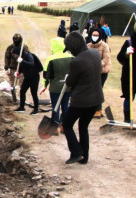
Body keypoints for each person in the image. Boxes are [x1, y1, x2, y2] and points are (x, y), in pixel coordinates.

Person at [62, 32, 104, 165]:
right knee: (83, 126)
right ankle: (84, 157)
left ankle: (76, 152)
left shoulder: (77, 61)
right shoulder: (95, 53)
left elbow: (70, 83)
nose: (70, 52)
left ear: (73, 47)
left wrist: (68, 78)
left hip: (81, 101)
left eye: (69, 49)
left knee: (67, 124)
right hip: (96, 99)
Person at [41, 38, 73, 128]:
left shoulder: (50, 59)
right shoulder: (70, 57)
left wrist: (45, 85)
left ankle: (55, 126)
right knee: (65, 106)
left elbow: (46, 75)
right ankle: (65, 125)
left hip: (55, 88)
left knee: (56, 106)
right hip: (67, 87)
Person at [87, 28, 112, 118]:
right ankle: (97, 109)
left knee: (98, 89)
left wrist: (96, 64)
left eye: (97, 35)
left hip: (102, 71)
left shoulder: (104, 46)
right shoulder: (88, 46)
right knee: (94, 90)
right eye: (94, 35)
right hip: (92, 72)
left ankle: (98, 110)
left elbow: (105, 59)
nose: (95, 37)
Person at [12, 46, 42, 115]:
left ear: (17, 53)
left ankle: (36, 109)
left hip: (34, 76)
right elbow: (21, 67)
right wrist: (18, 72)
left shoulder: (29, 55)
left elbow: (31, 64)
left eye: (14, 54)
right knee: (22, 91)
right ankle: (22, 107)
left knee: (33, 93)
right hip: (27, 77)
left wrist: (22, 61)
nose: (14, 56)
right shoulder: (19, 58)